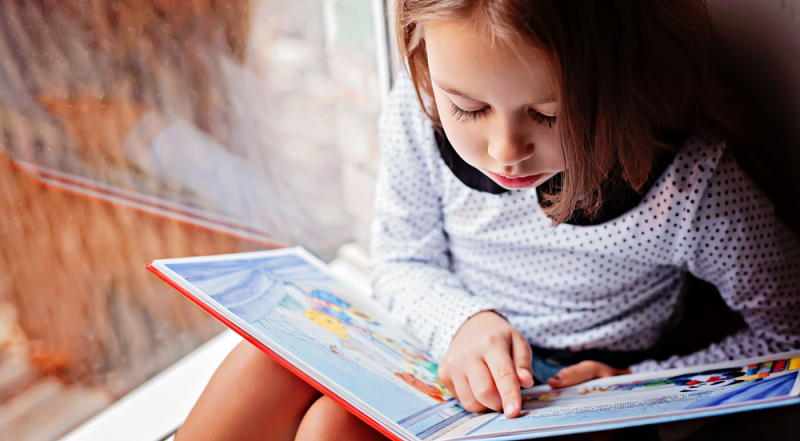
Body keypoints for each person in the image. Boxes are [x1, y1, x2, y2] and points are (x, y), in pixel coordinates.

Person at [175, 1, 800, 440]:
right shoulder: (419, 116)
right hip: (442, 339)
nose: (506, 150)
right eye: (468, 107)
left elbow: (788, 335)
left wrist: (638, 388)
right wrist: (462, 324)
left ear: (626, 83)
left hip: (571, 398)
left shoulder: (694, 188)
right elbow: (401, 260)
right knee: (268, 362)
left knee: (336, 429)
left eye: (550, 115)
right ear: (424, 66)